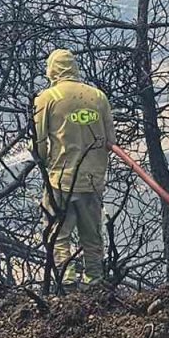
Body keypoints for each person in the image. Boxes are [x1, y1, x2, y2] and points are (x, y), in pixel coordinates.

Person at [33, 48, 116, 288]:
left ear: (52, 70)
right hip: (92, 181)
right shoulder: (98, 97)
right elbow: (110, 140)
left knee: (59, 235)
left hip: (61, 181)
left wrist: (44, 159)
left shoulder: (47, 98)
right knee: (92, 237)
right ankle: (94, 283)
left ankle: (66, 283)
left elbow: (39, 146)